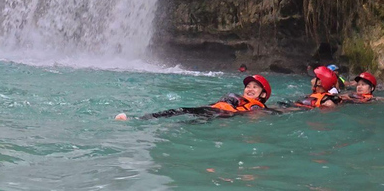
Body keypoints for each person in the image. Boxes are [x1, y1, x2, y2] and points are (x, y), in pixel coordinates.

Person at [114, 74, 273, 120]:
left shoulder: (257, 106)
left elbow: (253, 116)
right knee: (180, 111)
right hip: (213, 111)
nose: (250, 89)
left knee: (185, 116)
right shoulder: (240, 99)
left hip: (222, 115)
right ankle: (140, 118)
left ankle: (139, 120)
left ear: (263, 94)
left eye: (255, 87)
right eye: (248, 86)